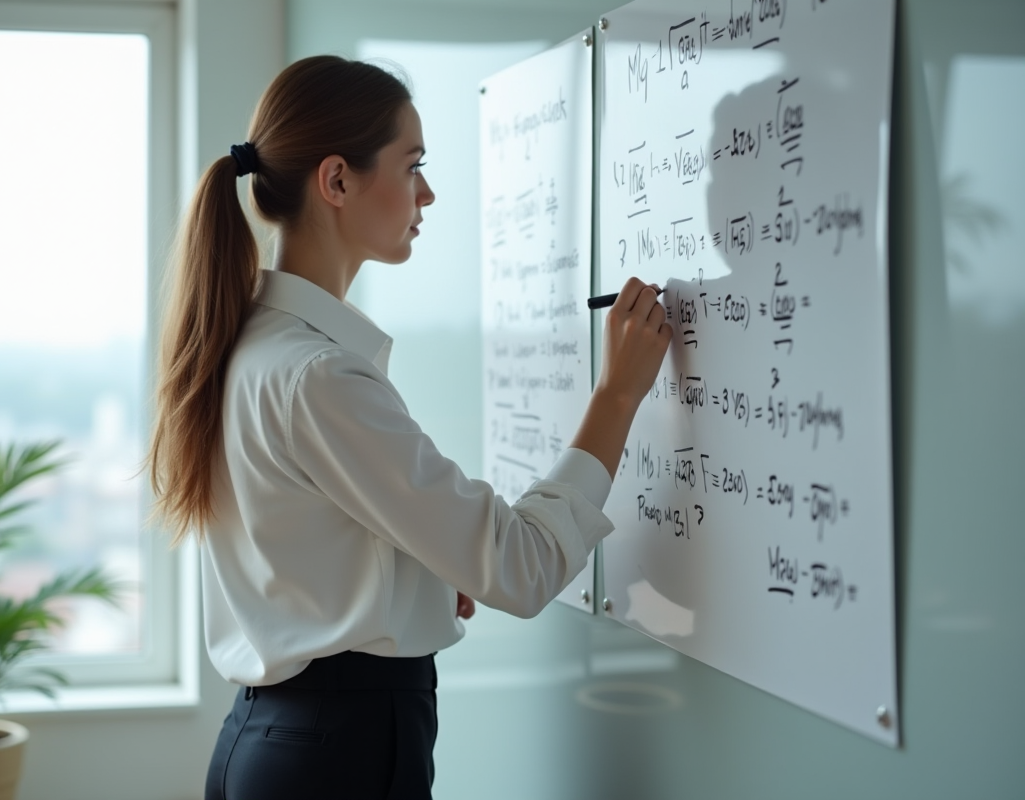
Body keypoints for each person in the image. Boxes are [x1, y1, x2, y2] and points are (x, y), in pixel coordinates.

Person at [146, 55, 671, 800]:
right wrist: (616, 396)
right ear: (336, 181)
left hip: (270, 744)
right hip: (339, 755)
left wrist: (416, 578)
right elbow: (519, 570)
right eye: (412, 164)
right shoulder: (319, 376)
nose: (428, 192)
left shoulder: (252, 348)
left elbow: (307, 545)